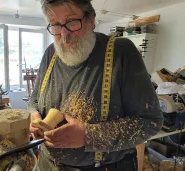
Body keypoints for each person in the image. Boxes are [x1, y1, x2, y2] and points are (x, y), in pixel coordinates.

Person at [28, 0, 164, 170]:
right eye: (55, 25)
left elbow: (150, 122)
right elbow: (34, 98)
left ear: (91, 20)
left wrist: (88, 135)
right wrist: (34, 117)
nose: (64, 34)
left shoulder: (121, 53)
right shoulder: (51, 52)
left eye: (71, 22)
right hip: (48, 165)